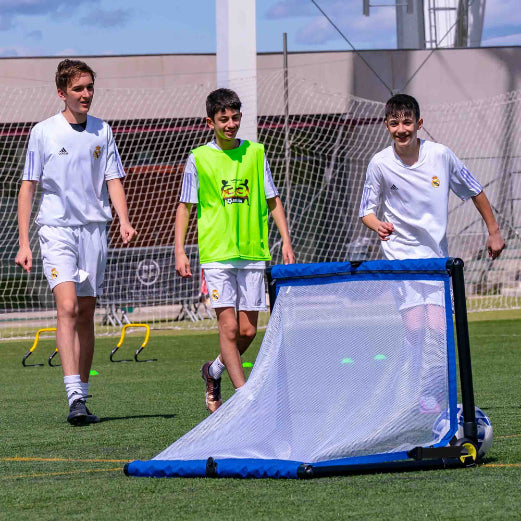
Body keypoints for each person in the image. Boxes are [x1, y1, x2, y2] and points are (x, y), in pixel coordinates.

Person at [359, 93, 505, 412]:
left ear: (419, 124)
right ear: (386, 125)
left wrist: (493, 231)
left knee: (438, 329)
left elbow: (475, 189)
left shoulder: (441, 155)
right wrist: (377, 225)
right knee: (414, 328)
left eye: (407, 122)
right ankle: (417, 387)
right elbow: (366, 211)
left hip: (436, 260)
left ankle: (434, 391)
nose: (402, 129)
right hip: (400, 260)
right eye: (395, 123)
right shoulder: (379, 164)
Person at [15, 59, 136, 425]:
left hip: (93, 232)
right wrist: (24, 242)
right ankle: (72, 396)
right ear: (61, 93)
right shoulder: (43, 132)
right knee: (66, 307)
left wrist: (125, 220)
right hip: (56, 230)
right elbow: (28, 187)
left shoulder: (103, 131)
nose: (86, 94)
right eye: (78, 89)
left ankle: (82, 399)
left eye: (89, 87)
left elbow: (113, 178)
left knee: (85, 312)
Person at [175, 88, 295, 413]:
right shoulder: (198, 158)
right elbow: (185, 206)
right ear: (210, 122)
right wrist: (179, 250)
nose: (230, 124)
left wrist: (285, 240)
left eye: (234, 117)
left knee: (248, 330)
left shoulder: (255, 153)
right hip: (216, 254)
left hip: (253, 252)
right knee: (227, 328)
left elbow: (273, 200)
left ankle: (213, 372)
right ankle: (244, 400)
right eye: (223, 119)